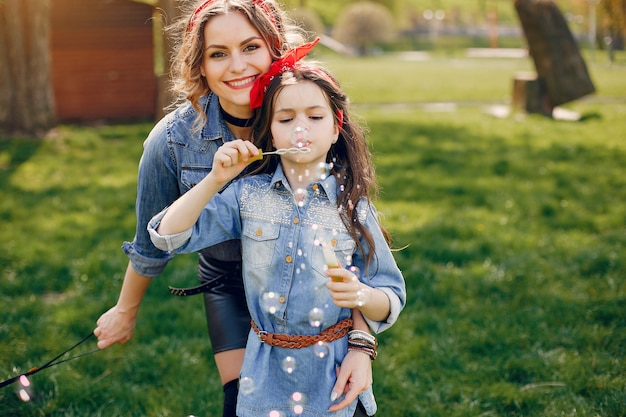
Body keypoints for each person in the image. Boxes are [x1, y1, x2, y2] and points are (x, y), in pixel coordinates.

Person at [92, 1, 374, 416]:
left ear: (275, 49)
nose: (237, 65)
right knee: (241, 401)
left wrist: (362, 343)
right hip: (228, 281)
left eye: (251, 47)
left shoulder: (305, 119)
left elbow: (357, 242)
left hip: (312, 284)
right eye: (218, 54)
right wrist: (124, 310)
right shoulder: (172, 141)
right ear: (200, 65)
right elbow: (152, 242)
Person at [147, 59, 406, 416]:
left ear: (336, 128)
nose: (301, 128)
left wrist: (361, 294)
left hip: (334, 378)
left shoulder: (352, 207)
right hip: (264, 377)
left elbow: (391, 296)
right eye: (286, 119)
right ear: (270, 132)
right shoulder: (246, 197)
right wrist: (214, 181)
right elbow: (168, 236)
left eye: (315, 117)